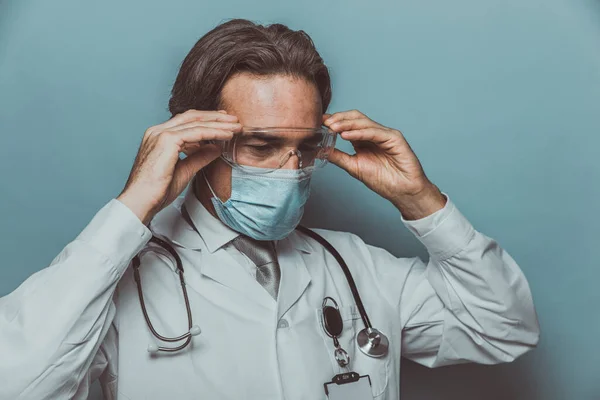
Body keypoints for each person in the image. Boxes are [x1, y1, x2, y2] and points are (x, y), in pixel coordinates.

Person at [0, 18, 539, 400]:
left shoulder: (356, 267)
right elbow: (19, 384)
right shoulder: (117, 277)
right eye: (260, 147)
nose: (289, 170)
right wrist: (133, 207)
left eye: (304, 147)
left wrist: (420, 200)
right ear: (199, 138)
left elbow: (503, 328)